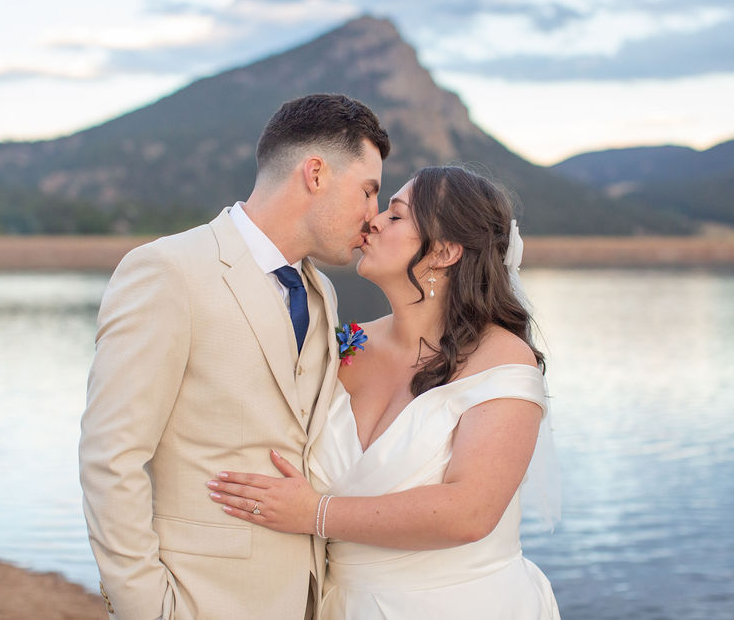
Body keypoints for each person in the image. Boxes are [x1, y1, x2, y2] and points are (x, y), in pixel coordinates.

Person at [79, 94, 390, 620]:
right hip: (200, 600)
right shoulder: (168, 271)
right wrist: (147, 608)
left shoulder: (321, 294)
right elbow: (111, 458)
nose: (373, 216)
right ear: (315, 173)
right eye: (368, 191)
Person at [207, 165, 561, 618]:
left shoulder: (503, 360)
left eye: (396, 215)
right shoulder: (343, 345)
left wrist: (315, 514)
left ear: (446, 251)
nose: (372, 220)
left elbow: (470, 512)